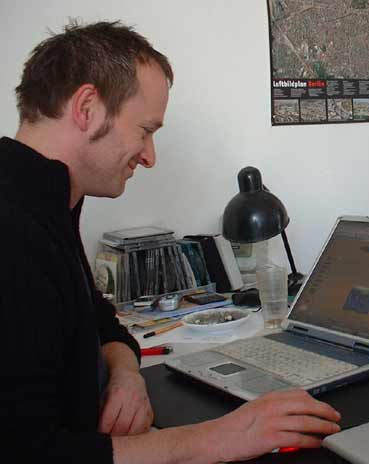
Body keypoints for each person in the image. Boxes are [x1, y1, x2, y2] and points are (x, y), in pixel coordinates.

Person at [0, 20, 341, 463]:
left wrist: (124, 374)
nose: (149, 156)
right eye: (145, 130)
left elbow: (103, 324)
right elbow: (27, 452)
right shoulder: (13, 232)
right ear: (87, 108)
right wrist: (219, 438)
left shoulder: (47, 201)